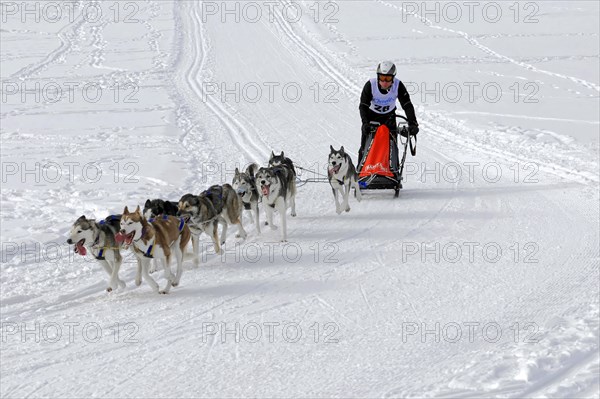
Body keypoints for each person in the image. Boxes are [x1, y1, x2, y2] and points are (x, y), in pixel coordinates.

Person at [358, 61, 419, 163]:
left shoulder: (398, 86)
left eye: (388, 78)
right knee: (365, 148)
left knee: (392, 148)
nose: (385, 82)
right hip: (371, 118)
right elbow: (363, 106)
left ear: (393, 78)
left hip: (389, 118)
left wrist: (413, 123)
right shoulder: (370, 85)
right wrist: (365, 123)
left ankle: (394, 173)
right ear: (378, 77)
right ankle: (360, 172)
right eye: (382, 78)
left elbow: (407, 105)